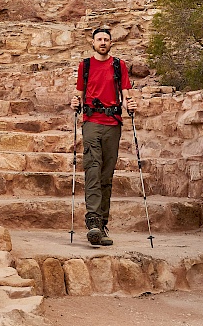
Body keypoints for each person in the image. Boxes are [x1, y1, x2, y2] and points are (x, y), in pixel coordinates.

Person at [70, 26, 137, 246]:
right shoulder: (85, 66)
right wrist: (74, 103)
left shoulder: (119, 65)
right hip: (91, 122)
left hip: (113, 124)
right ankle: (93, 222)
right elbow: (79, 94)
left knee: (106, 175)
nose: (102, 42)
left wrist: (131, 104)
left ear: (110, 43)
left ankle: (103, 225)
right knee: (92, 169)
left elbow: (126, 93)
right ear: (93, 42)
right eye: (99, 39)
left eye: (106, 39)